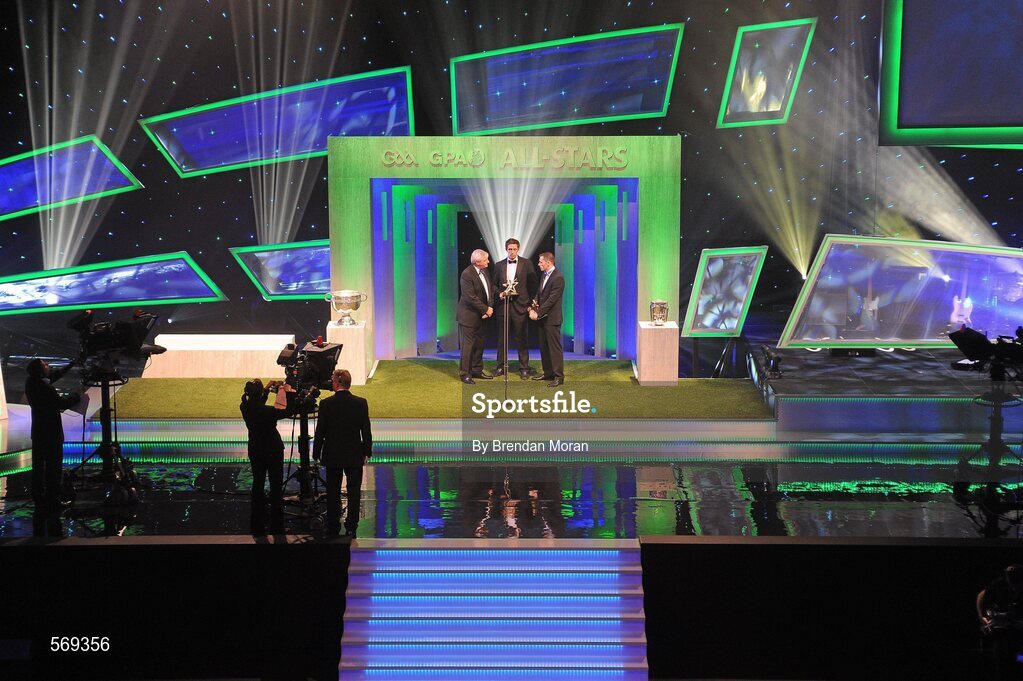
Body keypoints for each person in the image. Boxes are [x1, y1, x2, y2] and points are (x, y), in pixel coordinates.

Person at [313, 369, 372, 537]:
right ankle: (352, 526)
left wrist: (316, 454)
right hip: (354, 454)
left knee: (333, 490)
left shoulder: (326, 404)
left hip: (332, 454)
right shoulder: (361, 403)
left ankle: (333, 524)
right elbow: (365, 430)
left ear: (337, 383)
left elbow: (320, 432)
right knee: (354, 492)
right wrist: (367, 450)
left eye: (332, 380)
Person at [25, 358, 80, 513]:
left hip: (38, 433)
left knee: (38, 467)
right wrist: (77, 396)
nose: (48, 366)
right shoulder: (46, 389)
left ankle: (39, 498)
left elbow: (53, 377)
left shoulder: (30, 382)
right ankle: (53, 501)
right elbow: (62, 404)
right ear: (41, 371)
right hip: (52, 435)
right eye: (45, 365)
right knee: (53, 469)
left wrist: (71, 364)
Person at [239, 379, 291, 534]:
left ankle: (257, 523)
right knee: (276, 487)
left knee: (258, 484)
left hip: (256, 450)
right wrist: (288, 393)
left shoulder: (245, 406)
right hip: (273, 451)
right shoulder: (267, 412)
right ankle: (277, 525)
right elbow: (288, 412)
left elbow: (257, 404)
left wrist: (267, 389)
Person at [492, 238, 538, 380]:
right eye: (509, 249)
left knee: (522, 338)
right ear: (506, 249)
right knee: (502, 339)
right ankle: (500, 366)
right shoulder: (499, 265)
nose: (512, 252)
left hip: (521, 306)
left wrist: (530, 305)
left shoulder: (527, 263)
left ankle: (524, 367)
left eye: (514, 249)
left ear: (518, 249)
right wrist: (499, 293)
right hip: (503, 307)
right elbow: (493, 285)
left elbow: (533, 285)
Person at [978, 564, 1023, 679]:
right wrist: (983, 617)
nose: (1012, 582)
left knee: (1018, 657)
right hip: (1005, 629)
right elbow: (982, 597)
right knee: (1002, 655)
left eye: (1016, 579)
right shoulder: (999, 583)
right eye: (1010, 578)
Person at [456, 248, 494, 384]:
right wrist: (485, 309)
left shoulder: (484, 272)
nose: (488, 262)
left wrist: (489, 307)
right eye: (485, 260)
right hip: (469, 317)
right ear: (477, 262)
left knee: (480, 344)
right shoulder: (467, 274)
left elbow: (489, 290)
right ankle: (465, 373)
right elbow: (469, 297)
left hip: (482, 316)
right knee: (468, 346)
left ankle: (477, 370)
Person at [529, 252, 565, 387]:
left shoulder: (558, 278)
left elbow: (551, 300)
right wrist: (533, 308)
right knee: (544, 347)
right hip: (542, 319)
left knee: (554, 349)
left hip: (552, 319)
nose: (538, 264)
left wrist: (538, 314)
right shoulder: (544, 275)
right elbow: (539, 294)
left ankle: (558, 376)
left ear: (548, 263)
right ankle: (548, 372)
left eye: (540, 262)